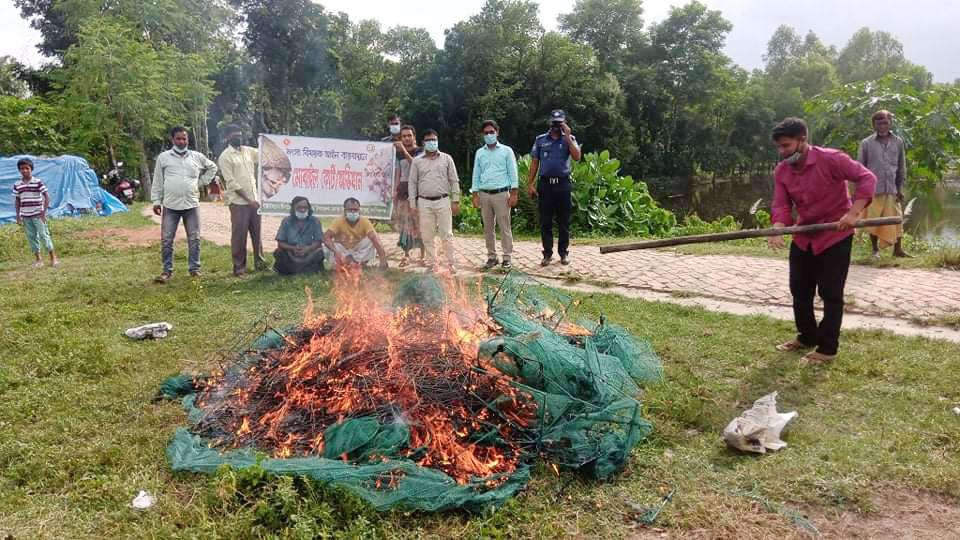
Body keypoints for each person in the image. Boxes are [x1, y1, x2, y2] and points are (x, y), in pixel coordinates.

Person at [767, 117, 876, 365]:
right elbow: (781, 205)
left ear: (803, 139)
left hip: (835, 234)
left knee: (831, 293)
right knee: (799, 290)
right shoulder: (782, 170)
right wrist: (778, 227)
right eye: (779, 147)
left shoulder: (832, 159)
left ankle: (827, 349)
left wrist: (853, 213)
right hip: (804, 235)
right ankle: (806, 337)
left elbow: (867, 178)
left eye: (786, 146)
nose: (782, 152)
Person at [151, 126, 219, 282]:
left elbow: (212, 167)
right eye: (178, 138)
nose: (181, 141)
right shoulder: (164, 158)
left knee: (194, 238)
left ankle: (194, 269)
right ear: (172, 139)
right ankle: (166, 271)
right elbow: (158, 181)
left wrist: (201, 182)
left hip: (191, 204)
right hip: (170, 205)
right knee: (167, 239)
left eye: (184, 138)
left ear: (188, 140)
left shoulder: (196, 157)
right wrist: (156, 201)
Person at [527, 109, 581, 266]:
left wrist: (568, 137)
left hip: (563, 184)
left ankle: (563, 253)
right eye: (555, 122)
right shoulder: (540, 140)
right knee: (545, 221)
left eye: (560, 123)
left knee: (564, 221)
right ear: (550, 122)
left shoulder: (569, 139)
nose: (557, 126)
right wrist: (530, 183)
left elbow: (577, 157)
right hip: (545, 185)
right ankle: (547, 253)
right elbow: (534, 162)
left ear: (564, 123)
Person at [858, 110, 910, 259]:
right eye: (879, 123)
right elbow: (860, 168)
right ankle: (875, 251)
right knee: (873, 220)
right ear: (874, 125)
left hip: (892, 189)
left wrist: (900, 188)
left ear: (890, 123)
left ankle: (898, 250)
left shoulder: (898, 141)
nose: (882, 126)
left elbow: (901, 167)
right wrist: (862, 191)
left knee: (897, 218)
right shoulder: (866, 143)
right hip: (873, 189)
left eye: (885, 122)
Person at [409, 129, 460, 274]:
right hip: (424, 202)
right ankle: (432, 263)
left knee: (446, 234)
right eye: (429, 140)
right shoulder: (417, 161)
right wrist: (413, 204)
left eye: (434, 140)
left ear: (437, 141)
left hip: (443, 200)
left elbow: (454, 180)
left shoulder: (447, 158)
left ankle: (451, 263)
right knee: (427, 234)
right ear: (423, 143)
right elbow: (412, 183)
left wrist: (455, 200)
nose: (432, 142)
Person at [218, 124, 266, 277]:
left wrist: (271, 141)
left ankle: (260, 263)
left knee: (257, 234)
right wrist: (247, 199)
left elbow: (265, 155)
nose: (238, 137)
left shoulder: (248, 151)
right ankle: (239, 268)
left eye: (239, 134)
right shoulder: (225, 157)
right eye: (234, 135)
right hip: (239, 203)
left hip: (255, 201)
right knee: (239, 236)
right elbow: (231, 183)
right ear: (227, 137)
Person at [471, 120, 519, 270]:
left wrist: (514, 193)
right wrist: (475, 194)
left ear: (497, 132)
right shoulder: (480, 152)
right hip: (485, 194)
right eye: (486, 133)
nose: (489, 135)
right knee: (488, 228)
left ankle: (507, 257)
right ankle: (492, 257)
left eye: (491, 132)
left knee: (504, 227)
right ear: (482, 135)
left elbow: (513, 173)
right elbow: (476, 174)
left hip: (501, 194)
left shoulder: (506, 151)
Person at [12, 157, 59, 268]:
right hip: (26, 216)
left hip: (38, 215)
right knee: (32, 237)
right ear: (19, 170)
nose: (24, 170)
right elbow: (17, 201)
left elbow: (47, 197)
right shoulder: (17, 185)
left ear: (31, 169)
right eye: (22, 168)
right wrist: (18, 216)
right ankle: (39, 260)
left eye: (27, 168)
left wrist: (43, 213)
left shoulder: (37, 182)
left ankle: (54, 258)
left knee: (44, 236)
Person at [323, 198, 389, 270]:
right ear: (345, 211)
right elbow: (326, 236)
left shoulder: (364, 221)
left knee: (372, 240)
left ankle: (357, 263)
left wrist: (383, 260)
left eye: (355, 210)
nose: (353, 212)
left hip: (357, 251)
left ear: (359, 211)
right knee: (326, 246)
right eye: (350, 209)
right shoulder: (339, 221)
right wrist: (335, 252)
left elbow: (375, 238)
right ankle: (343, 263)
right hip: (343, 251)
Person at [392, 125, 424, 266]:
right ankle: (406, 254)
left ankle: (423, 255)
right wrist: (395, 190)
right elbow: (398, 173)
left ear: (414, 136)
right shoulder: (397, 155)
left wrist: (403, 150)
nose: (406, 138)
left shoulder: (420, 152)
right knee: (404, 224)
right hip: (404, 191)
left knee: (420, 223)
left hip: (418, 191)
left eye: (409, 135)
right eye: (404, 136)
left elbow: (416, 165)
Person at [274, 196, 325, 275]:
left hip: (309, 252)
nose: (302, 210)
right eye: (299, 207)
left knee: (320, 252)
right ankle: (295, 270)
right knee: (279, 252)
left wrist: (308, 249)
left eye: (305, 207)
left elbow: (318, 241)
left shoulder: (315, 221)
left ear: (309, 208)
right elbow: (280, 243)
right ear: (293, 208)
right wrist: (293, 248)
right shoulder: (286, 221)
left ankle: (300, 270)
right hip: (291, 252)